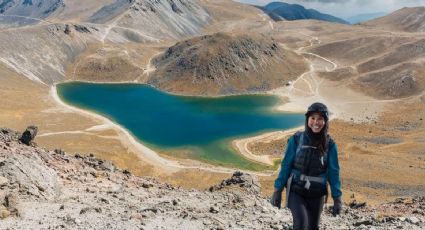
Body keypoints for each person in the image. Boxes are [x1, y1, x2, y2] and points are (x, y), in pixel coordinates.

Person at [270, 102, 342, 230]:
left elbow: (334, 172)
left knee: (313, 227)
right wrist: (277, 190)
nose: (316, 122)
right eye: (312, 118)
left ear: (325, 121)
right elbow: (286, 165)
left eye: (320, 118)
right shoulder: (296, 139)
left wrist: (337, 198)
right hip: (296, 190)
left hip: (317, 193)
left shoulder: (330, 145)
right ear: (307, 119)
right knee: (301, 224)